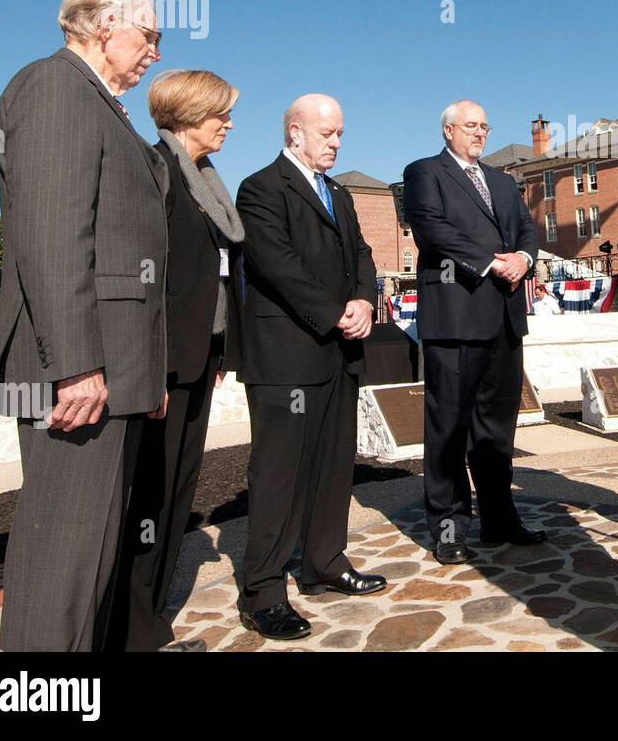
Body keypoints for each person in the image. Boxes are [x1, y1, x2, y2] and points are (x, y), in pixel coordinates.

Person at [0, 0, 167, 651]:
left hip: (111, 370)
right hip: (81, 373)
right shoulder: (55, 87)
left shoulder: (100, 103)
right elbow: (53, 238)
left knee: (89, 567)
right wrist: (77, 364)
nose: (155, 52)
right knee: (60, 569)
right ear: (102, 23)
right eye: (150, 34)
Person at [234, 94, 386, 641]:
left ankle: (325, 563)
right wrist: (334, 312)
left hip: (339, 354)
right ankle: (263, 592)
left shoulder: (341, 193)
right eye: (327, 134)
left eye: (340, 133)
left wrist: (365, 300)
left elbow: (364, 255)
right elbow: (276, 263)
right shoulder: (260, 188)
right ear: (294, 131)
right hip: (287, 356)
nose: (336, 142)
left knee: (332, 465)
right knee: (279, 475)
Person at [106, 70, 246, 652]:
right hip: (161, 366)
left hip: (199, 357)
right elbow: (147, 282)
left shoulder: (206, 179)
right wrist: (152, 369)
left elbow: (211, 275)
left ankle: (153, 615)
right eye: (222, 113)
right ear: (189, 113)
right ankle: (131, 628)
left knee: (178, 492)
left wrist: (218, 347)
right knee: (148, 496)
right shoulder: (156, 170)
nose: (230, 123)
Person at [402, 100, 543, 564]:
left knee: (496, 429)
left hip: (504, 318)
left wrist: (524, 257)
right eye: (470, 126)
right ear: (447, 131)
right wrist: (491, 263)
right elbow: (431, 228)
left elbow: (526, 228)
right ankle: (448, 527)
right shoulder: (424, 172)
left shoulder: (503, 181)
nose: (479, 133)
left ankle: (500, 520)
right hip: (456, 316)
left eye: (485, 126)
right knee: (449, 427)